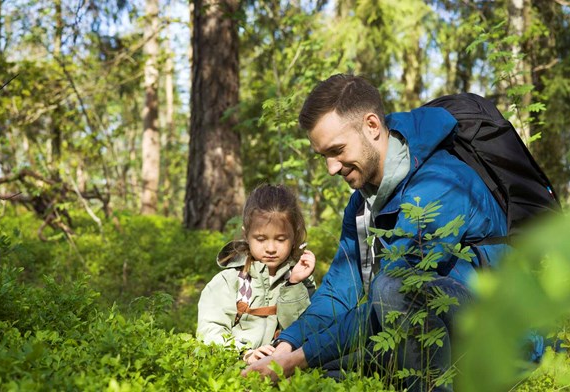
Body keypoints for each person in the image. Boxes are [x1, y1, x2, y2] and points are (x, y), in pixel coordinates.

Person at [243, 74, 509, 391]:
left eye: (337, 150)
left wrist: (297, 359)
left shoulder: (442, 183)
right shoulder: (361, 204)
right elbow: (338, 292)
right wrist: (284, 347)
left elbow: (395, 293)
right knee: (324, 368)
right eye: (323, 156)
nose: (331, 168)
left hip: (499, 339)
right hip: (429, 335)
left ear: (371, 126)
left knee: (393, 288)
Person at [196, 184, 317, 364]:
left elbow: (306, 329)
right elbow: (209, 330)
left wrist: (293, 284)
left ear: (294, 237)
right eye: (260, 239)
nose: (270, 248)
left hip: (286, 367)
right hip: (235, 366)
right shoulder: (229, 281)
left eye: (281, 239)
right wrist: (244, 353)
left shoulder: (301, 280)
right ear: (247, 235)